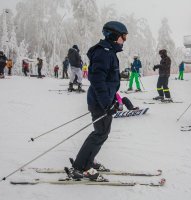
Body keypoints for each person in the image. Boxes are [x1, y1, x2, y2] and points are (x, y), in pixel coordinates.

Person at [69, 21, 128, 181]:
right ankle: (82, 167)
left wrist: (119, 99)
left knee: (102, 132)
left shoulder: (109, 52)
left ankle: (88, 159)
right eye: (124, 36)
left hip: (102, 100)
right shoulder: (104, 53)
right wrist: (106, 104)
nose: (125, 40)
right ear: (114, 36)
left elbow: (110, 83)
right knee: (100, 133)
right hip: (100, 102)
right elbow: (97, 81)